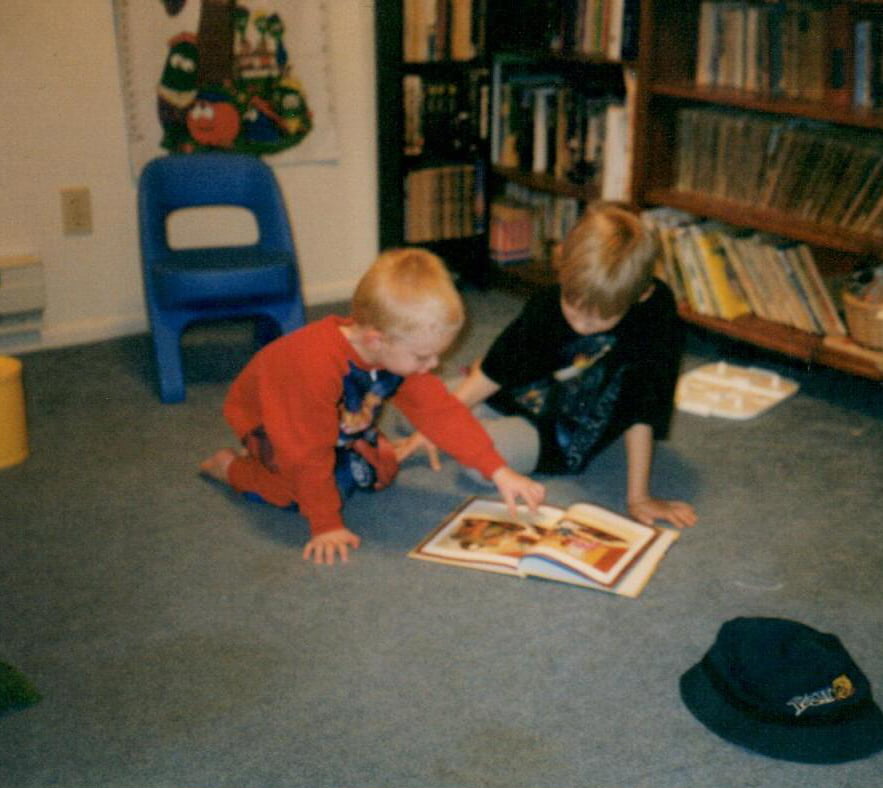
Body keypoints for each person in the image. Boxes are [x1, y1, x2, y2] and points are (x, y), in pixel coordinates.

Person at [200, 247, 546, 565]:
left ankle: (338, 460)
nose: (434, 365)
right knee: (299, 491)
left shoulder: (393, 348)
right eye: (424, 356)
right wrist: (326, 525)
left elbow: (442, 413)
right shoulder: (313, 368)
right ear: (375, 340)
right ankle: (230, 467)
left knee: (380, 471)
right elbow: (306, 454)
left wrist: (499, 470)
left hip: (334, 422)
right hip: (277, 421)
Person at [395, 201, 697, 529]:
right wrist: (437, 423)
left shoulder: (656, 319)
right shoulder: (548, 303)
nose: (582, 325)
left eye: (599, 318)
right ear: (561, 268)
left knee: (476, 467)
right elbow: (497, 368)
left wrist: (638, 497)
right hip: (520, 393)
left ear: (640, 296)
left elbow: (642, 410)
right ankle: (465, 427)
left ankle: (473, 432)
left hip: (562, 430)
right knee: (412, 410)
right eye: (574, 307)